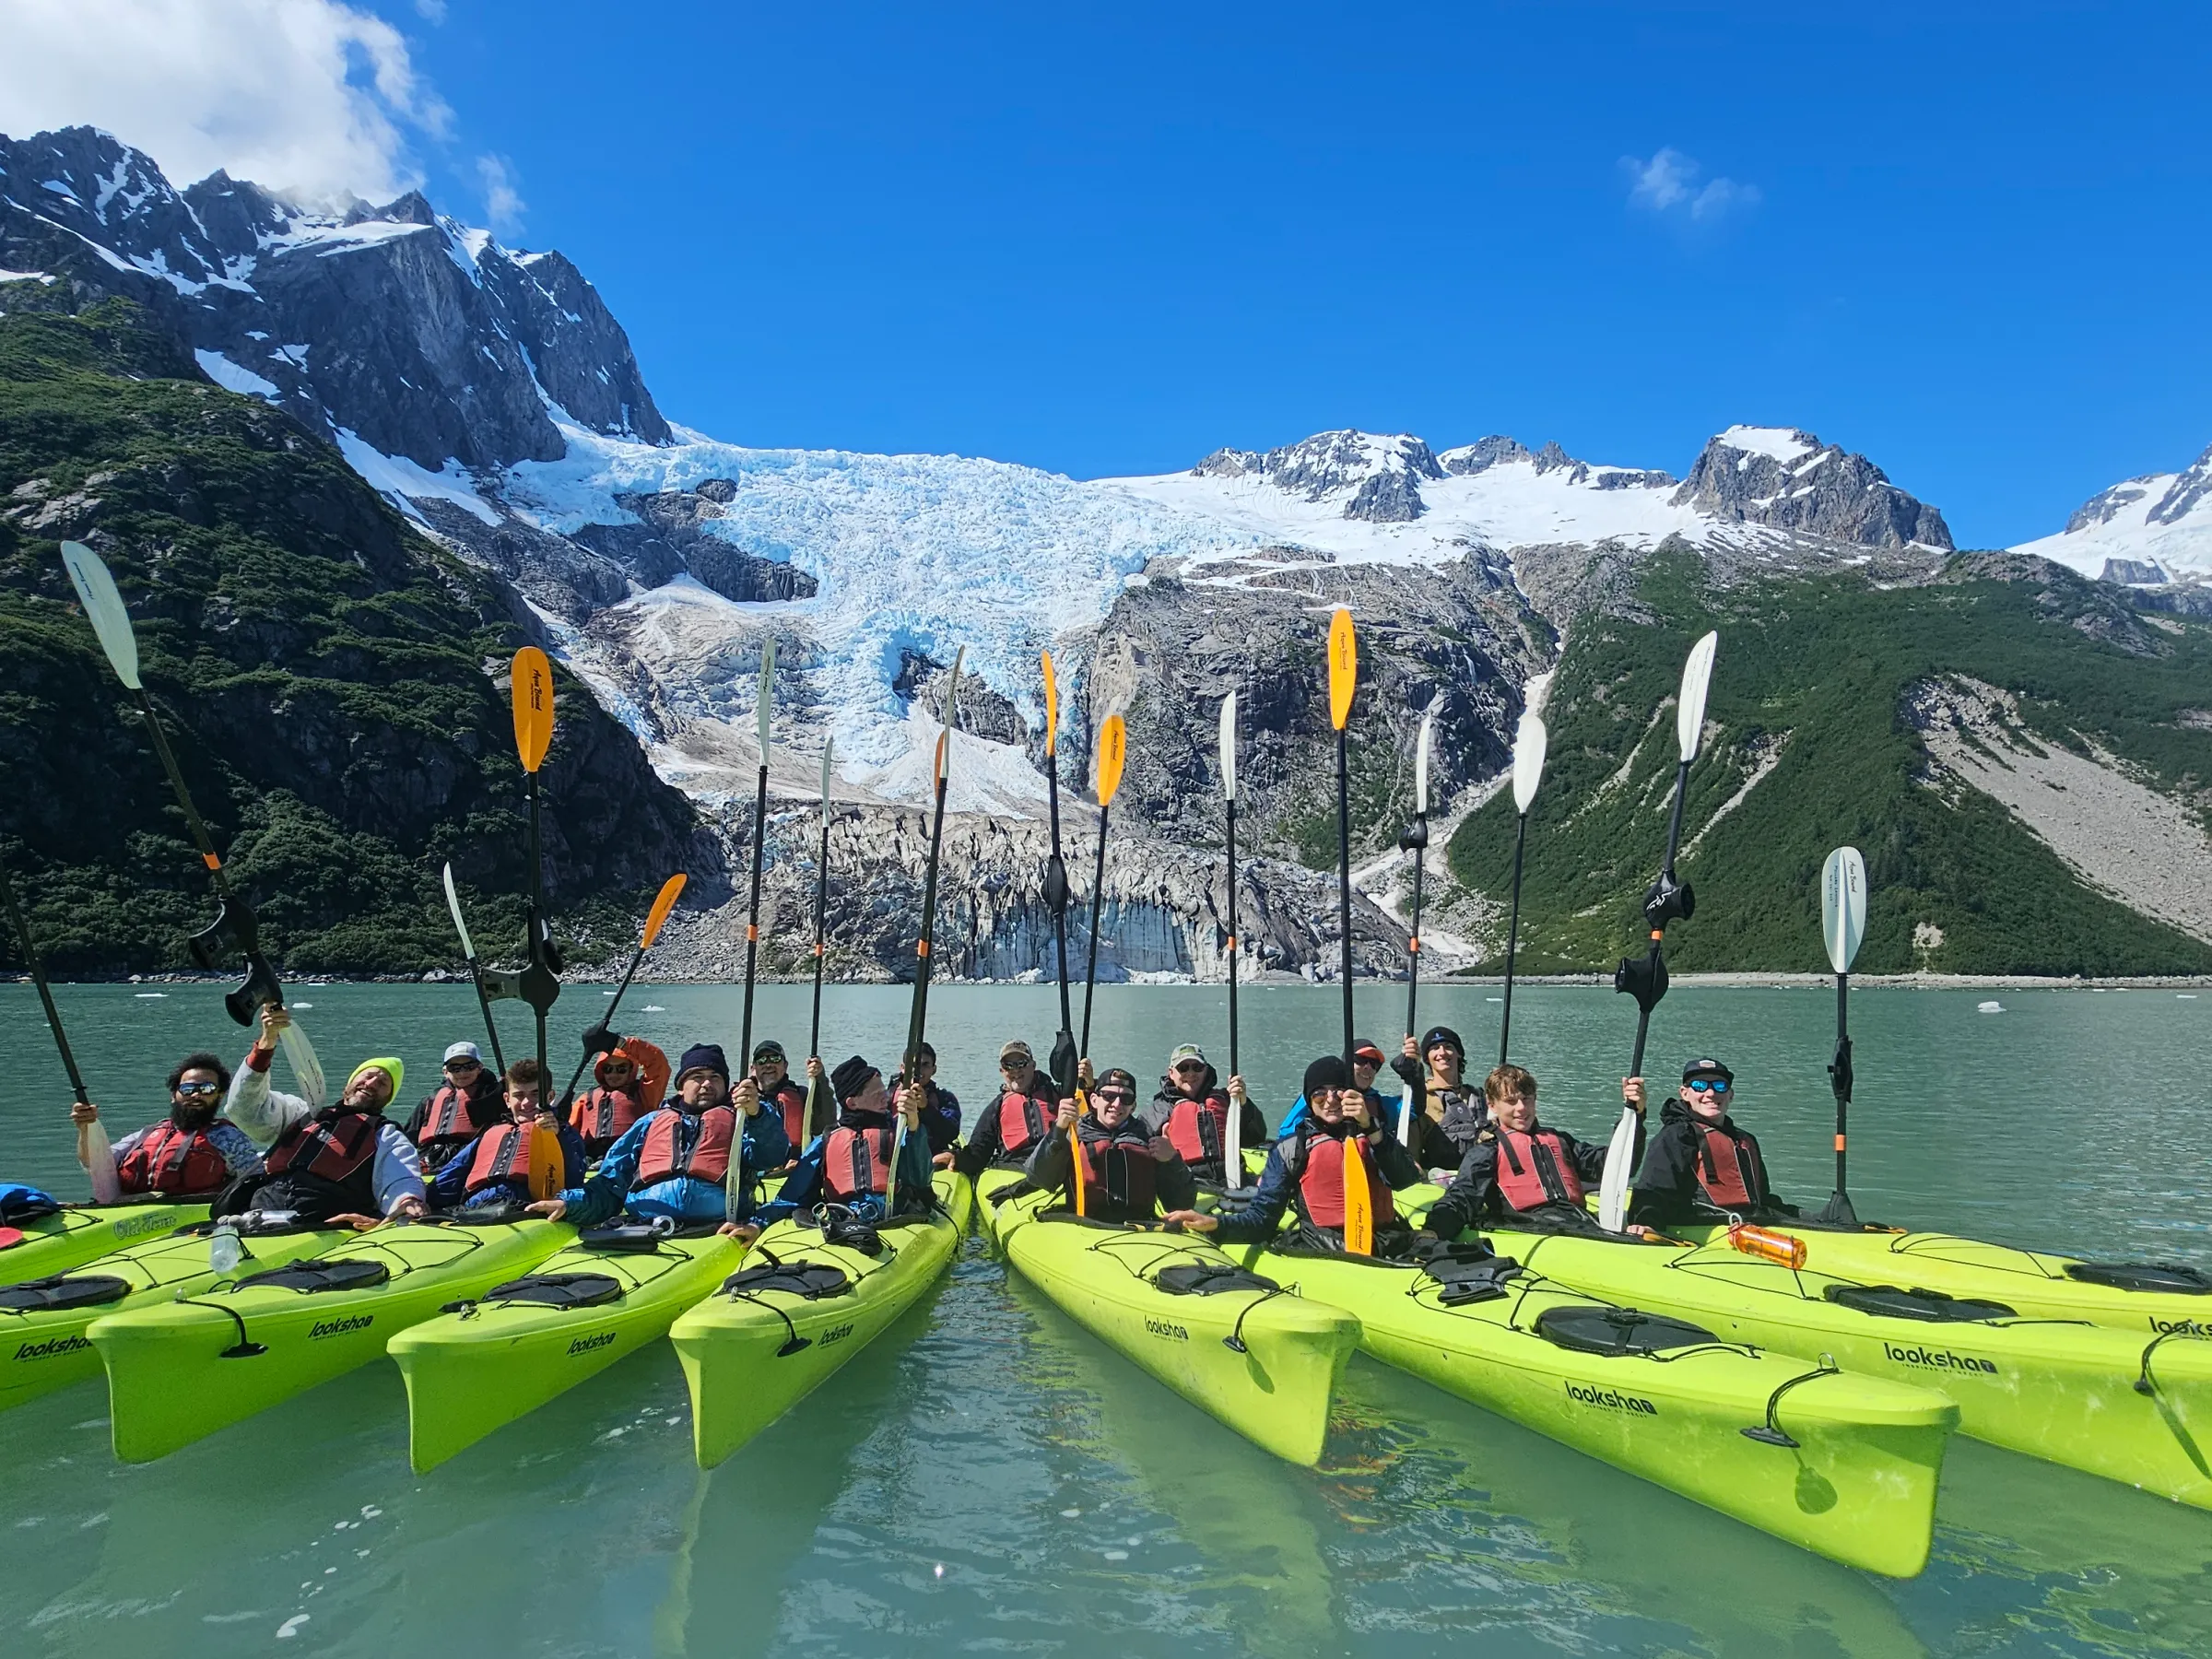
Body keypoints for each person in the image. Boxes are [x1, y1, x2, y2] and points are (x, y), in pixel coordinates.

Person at [524, 1042, 789, 1233]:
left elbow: (772, 1155)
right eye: (697, 1077)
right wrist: (570, 1202)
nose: (707, 1084)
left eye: (715, 1078)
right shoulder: (650, 1123)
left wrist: (757, 1114)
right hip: (645, 1226)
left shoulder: (740, 1120)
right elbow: (609, 1184)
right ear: (680, 1085)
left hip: (720, 1225)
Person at [1171, 1056, 1421, 1253]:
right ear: (1309, 1099)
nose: (1330, 1099)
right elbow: (1263, 1218)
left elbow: (1405, 1179)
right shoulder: (1292, 1149)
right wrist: (1215, 1224)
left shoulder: (1374, 1135)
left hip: (1391, 1242)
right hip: (1326, 1248)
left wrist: (1372, 1128)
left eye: (1338, 1091)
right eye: (1320, 1093)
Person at [215, 1005, 428, 1227]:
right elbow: (244, 1108)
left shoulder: (386, 1134)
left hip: (325, 1220)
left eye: (383, 1083)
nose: (372, 1083)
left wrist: (407, 1201)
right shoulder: (302, 1114)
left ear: (388, 1098)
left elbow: (401, 1177)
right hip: (261, 1210)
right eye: (368, 1076)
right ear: (350, 1082)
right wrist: (267, 1044)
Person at [1421, 1063, 1644, 1239]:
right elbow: (1462, 1196)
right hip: (1531, 1229)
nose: (1521, 1109)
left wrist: (1635, 1115)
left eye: (1526, 1100)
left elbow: (1618, 1166)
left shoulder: (1560, 1141)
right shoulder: (1487, 1151)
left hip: (1580, 1224)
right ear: (1491, 1105)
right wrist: (1434, 1231)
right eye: (1510, 1101)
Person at [757, 1056, 935, 1224]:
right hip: (843, 1216)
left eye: (884, 1092)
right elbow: (792, 1194)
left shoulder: (898, 1132)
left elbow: (921, 1178)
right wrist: (757, 1223)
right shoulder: (826, 1140)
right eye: (876, 1094)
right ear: (852, 1103)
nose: (886, 1098)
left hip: (893, 1217)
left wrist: (913, 1124)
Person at [1626, 1057, 1795, 1229]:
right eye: (1700, 1086)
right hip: (1704, 1228)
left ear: (1731, 1095)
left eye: (1719, 1086)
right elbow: (1652, 1193)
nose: (1711, 1093)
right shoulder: (1675, 1136)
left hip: (1751, 1225)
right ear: (1684, 1093)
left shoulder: (1745, 1140)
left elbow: (1763, 1200)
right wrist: (1645, 1224)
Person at [71, 1051, 264, 1202]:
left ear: (220, 1095)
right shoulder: (146, 1135)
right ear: (174, 1095)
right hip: (128, 1211)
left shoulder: (227, 1138)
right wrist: (86, 1128)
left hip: (191, 1217)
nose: (196, 1095)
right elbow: (92, 1164)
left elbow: (256, 1181)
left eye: (207, 1089)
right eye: (188, 1089)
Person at [1025, 1066, 1197, 1224]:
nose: (1116, 1104)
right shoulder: (1073, 1136)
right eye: (1109, 1096)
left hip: (1141, 1228)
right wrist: (1058, 1131)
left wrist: (1173, 1160)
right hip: (1084, 1227)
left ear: (1133, 1106)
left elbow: (1182, 1204)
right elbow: (1038, 1178)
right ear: (1094, 1100)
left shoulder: (1149, 1140)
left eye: (1126, 1098)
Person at [427, 1059, 587, 1214]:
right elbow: (455, 1171)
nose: (526, 1103)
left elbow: (575, 1180)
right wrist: (424, 1201)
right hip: (475, 1207)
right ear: (507, 1100)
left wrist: (559, 1137)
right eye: (518, 1095)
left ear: (550, 1097)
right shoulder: (492, 1132)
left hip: (524, 1207)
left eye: (535, 1094)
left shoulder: (564, 1134)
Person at [1141, 1042, 1265, 1188]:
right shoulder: (1157, 1111)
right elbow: (1141, 1153)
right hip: (1188, 1182)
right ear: (1171, 1073)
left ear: (1206, 1070)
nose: (1191, 1073)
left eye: (1197, 1067)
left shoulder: (1227, 1098)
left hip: (1235, 1176)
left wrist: (1244, 1104)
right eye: (1183, 1068)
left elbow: (1256, 1137)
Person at [951, 1039, 1059, 1177]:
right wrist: (955, 1158)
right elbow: (977, 1154)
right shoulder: (996, 1107)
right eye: (1008, 1065)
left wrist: (1089, 1084)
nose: (1015, 1070)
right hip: (1015, 1170)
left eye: (1021, 1063)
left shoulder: (1057, 1094)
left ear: (1033, 1065)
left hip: (1055, 1164)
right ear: (1002, 1071)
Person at [1388, 1026, 1488, 1176]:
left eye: (1448, 1047)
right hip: (1439, 1182)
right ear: (1427, 1058)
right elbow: (1409, 1151)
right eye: (1435, 1048)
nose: (1442, 1052)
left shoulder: (1478, 1096)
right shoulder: (1419, 1100)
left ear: (1458, 1054)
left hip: (1480, 1177)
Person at [404, 1041, 509, 1171]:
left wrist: (506, 1087)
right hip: (429, 1157)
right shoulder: (430, 1100)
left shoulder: (492, 1094)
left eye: (469, 1066)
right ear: (445, 1072)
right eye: (455, 1068)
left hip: (468, 1156)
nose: (462, 1073)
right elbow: (408, 1137)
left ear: (480, 1068)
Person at [568, 1035, 670, 1159]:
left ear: (631, 1070)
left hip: (629, 1157)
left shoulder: (645, 1093)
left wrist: (620, 1043)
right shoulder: (587, 1098)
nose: (614, 1074)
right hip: (590, 1157)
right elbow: (569, 1128)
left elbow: (657, 1063)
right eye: (608, 1069)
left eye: (621, 1069)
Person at [896, 1041, 962, 1164]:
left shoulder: (945, 1099)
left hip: (932, 1156)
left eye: (925, 1065)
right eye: (914, 1065)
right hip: (898, 1158)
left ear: (934, 1069)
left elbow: (951, 1132)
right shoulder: (887, 1096)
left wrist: (926, 1108)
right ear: (903, 1068)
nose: (919, 1070)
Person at [749, 1040, 813, 1149]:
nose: (768, 1065)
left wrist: (820, 1080)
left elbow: (825, 1122)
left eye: (775, 1059)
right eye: (761, 1060)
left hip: (795, 1161)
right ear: (753, 1069)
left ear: (785, 1065)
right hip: (755, 1161)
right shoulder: (742, 1098)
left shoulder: (803, 1095)